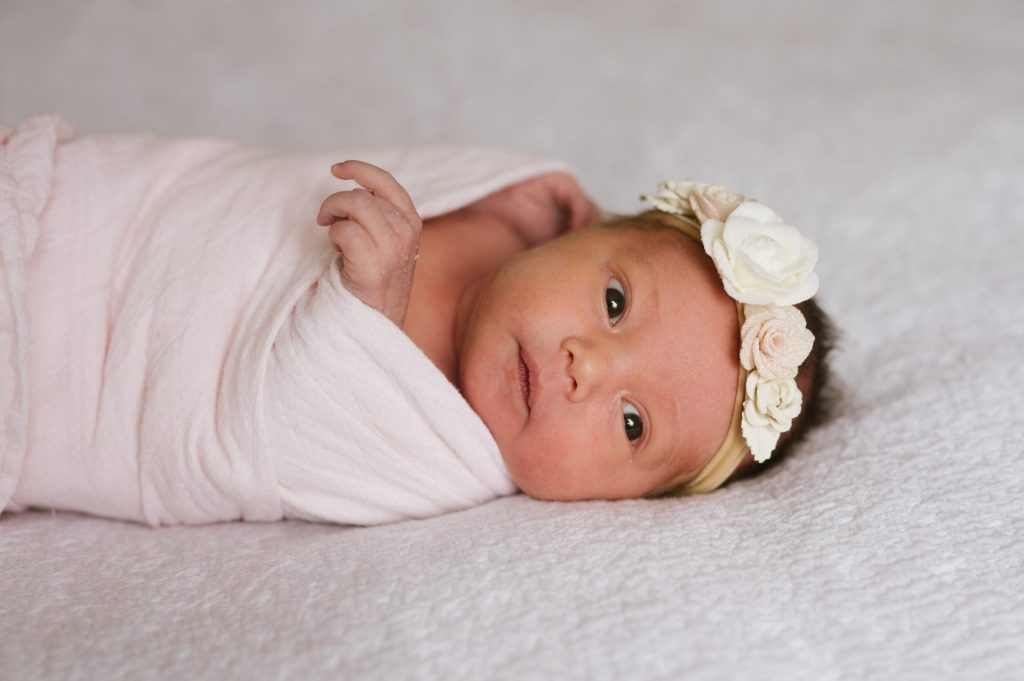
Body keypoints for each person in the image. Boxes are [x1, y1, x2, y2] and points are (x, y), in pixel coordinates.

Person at [315, 161, 839, 502]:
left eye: (633, 423)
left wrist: (362, 326)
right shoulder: (502, 218)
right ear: (580, 228)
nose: (585, 367)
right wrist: (493, 189)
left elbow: (284, 447)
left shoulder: (438, 458)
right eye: (615, 303)